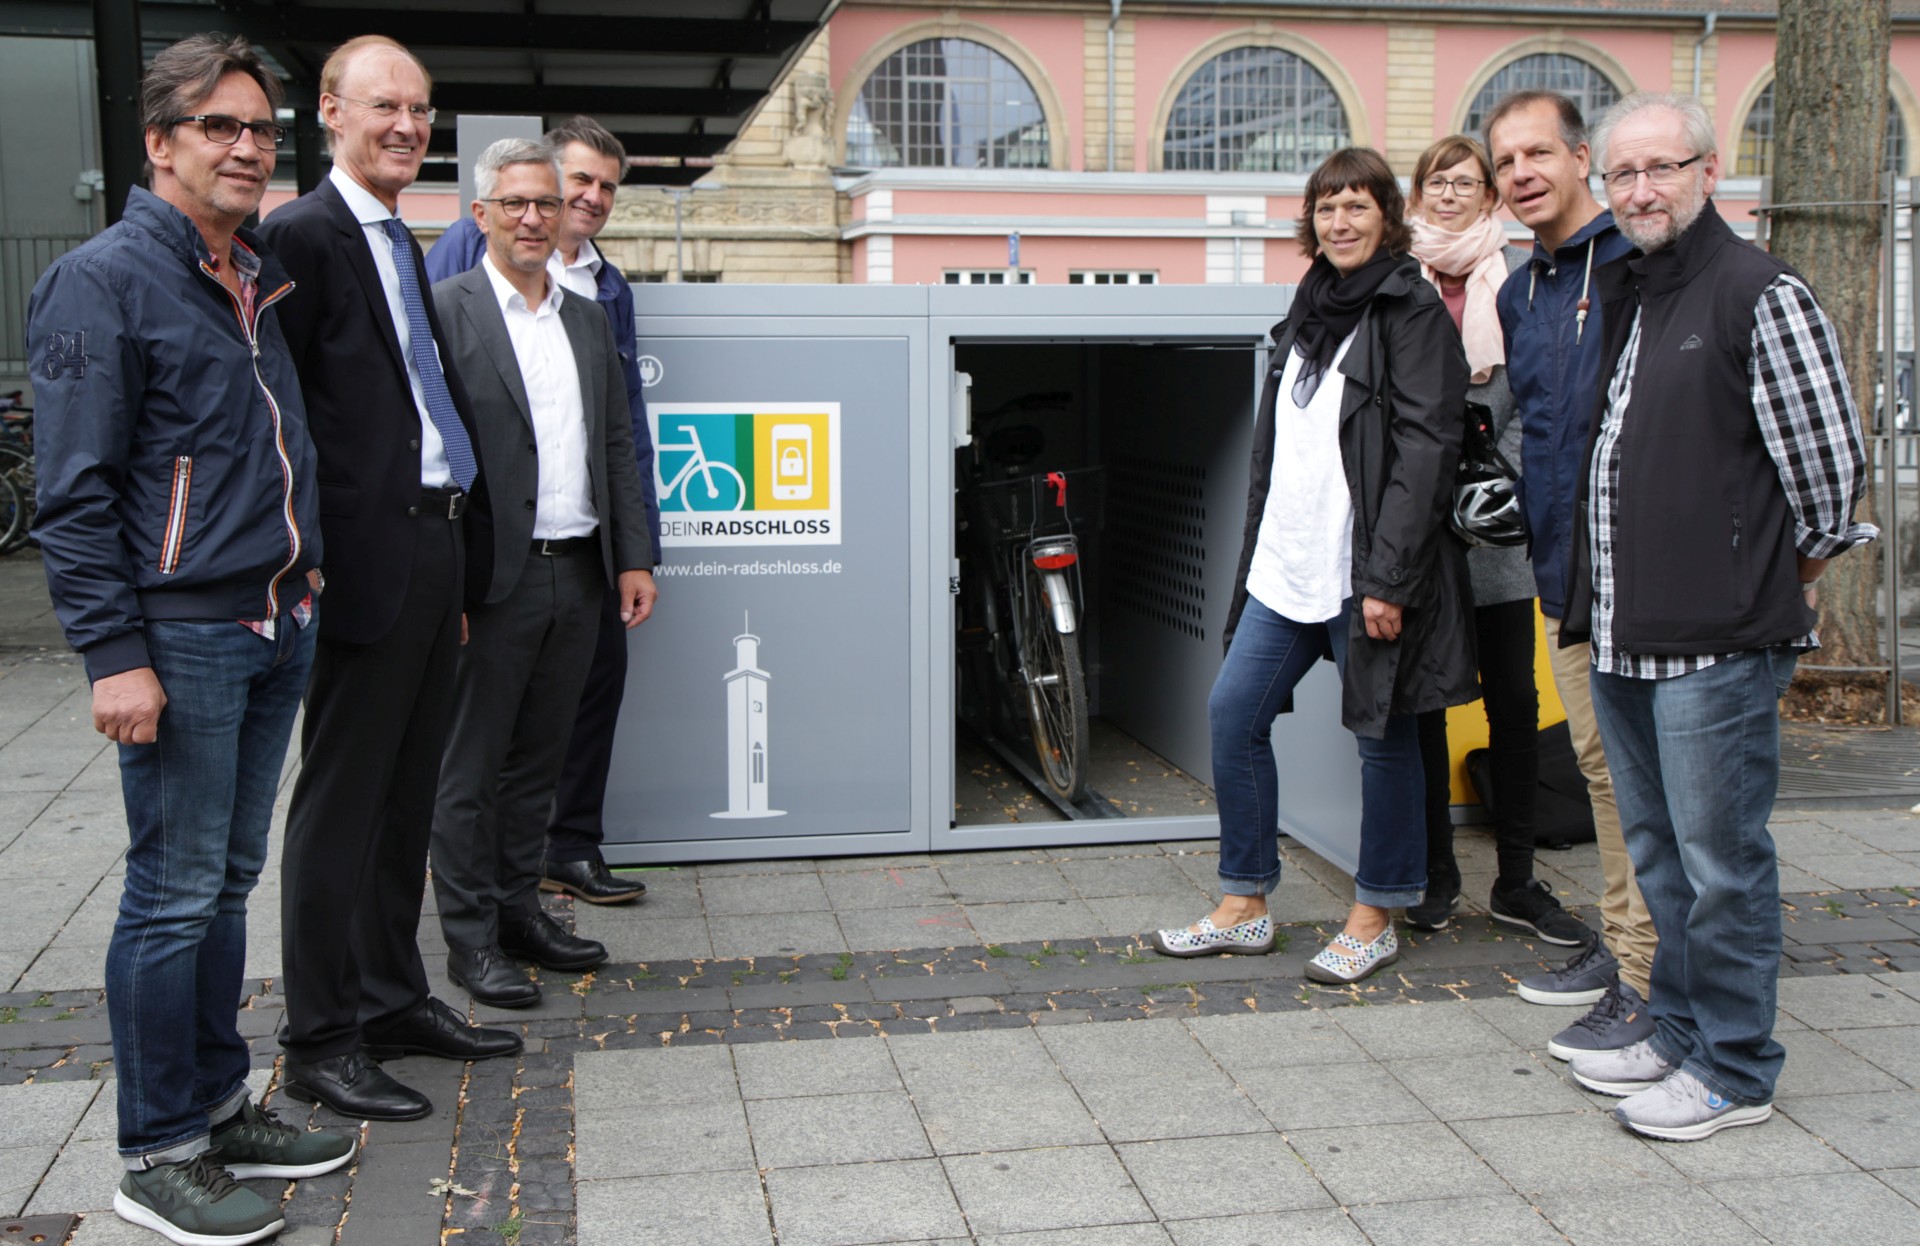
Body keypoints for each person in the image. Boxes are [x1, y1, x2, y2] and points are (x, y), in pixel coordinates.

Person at [28, 34, 354, 1245]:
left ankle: (217, 1109)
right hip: (181, 634)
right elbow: (71, 495)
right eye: (219, 126)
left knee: (223, 882)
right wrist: (112, 653)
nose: (247, 146)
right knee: (169, 894)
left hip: (273, 619)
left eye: (261, 129)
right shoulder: (104, 281)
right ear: (158, 142)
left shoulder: (252, 273)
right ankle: (156, 1148)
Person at [1563, 92, 1874, 1141]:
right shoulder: (1636, 291)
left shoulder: (1757, 290)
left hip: (1717, 640)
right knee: (1660, 860)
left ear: (1709, 173)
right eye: (1623, 175)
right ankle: (1681, 1029)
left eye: (1662, 167)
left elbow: (1829, 479)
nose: (1641, 190)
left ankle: (1737, 1070)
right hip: (1626, 633)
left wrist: (1769, 573)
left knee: (1721, 865)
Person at [260, 34, 519, 1125]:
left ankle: (391, 994)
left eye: (420, 109)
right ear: (330, 111)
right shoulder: (301, 237)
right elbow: (284, 419)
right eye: (385, 107)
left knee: (407, 794)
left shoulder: (401, 240)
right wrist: (310, 561)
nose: (408, 126)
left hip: (434, 545)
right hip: (364, 561)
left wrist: (461, 558)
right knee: (341, 803)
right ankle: (322, 1035)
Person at [1151, 147, 1476, 983]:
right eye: (1327, 208)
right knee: (1233, 714)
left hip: (1364, 571)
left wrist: (1389, 579)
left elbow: (1427, 451)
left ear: (1386, 218)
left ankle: (1378, 912)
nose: (1340, 222)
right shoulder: (1310, 305)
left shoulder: (1411, 312)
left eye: (1358, 207)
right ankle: (1246, 902)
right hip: (1288, 565)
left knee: (1384, 736)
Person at [426, 138, 656, 1007]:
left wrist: (631, 556)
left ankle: (521, 912)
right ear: (481, 215)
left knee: (539, 762)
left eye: (546, 204)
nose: (533, 217)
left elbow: (618, 444)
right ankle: (469, 939)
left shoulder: (586, 317)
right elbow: (430, 459)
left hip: (581, 572)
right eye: (515, 203)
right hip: (492, 579)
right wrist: (443, 583)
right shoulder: (444, 311)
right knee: (470, 769)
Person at [1486, 90, 1659, 1063]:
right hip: (1564, 578)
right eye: (1506, 160)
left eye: (1537, 152)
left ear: (1582, 156)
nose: (1521, 174)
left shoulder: (1641, 269)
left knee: (1644, 779)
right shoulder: (1522, 292)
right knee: (1599, 770)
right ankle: (1624, 945)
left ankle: (1646, 974)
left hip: (1643, 578)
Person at [1402, 135, 1588, 949]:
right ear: (1418, 193)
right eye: (1437, 182)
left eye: (1466, 183)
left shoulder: (1514, 287)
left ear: (1490, 199)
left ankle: (1516, 878)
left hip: (1497, 534)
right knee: (1423, 707)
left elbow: (1538, 403)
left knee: (1514, 699)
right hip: (1412, 534)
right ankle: (1436, 873)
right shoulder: (1393, 283)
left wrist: (1491, 487)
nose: (1450, 194)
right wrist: (1418, 498)